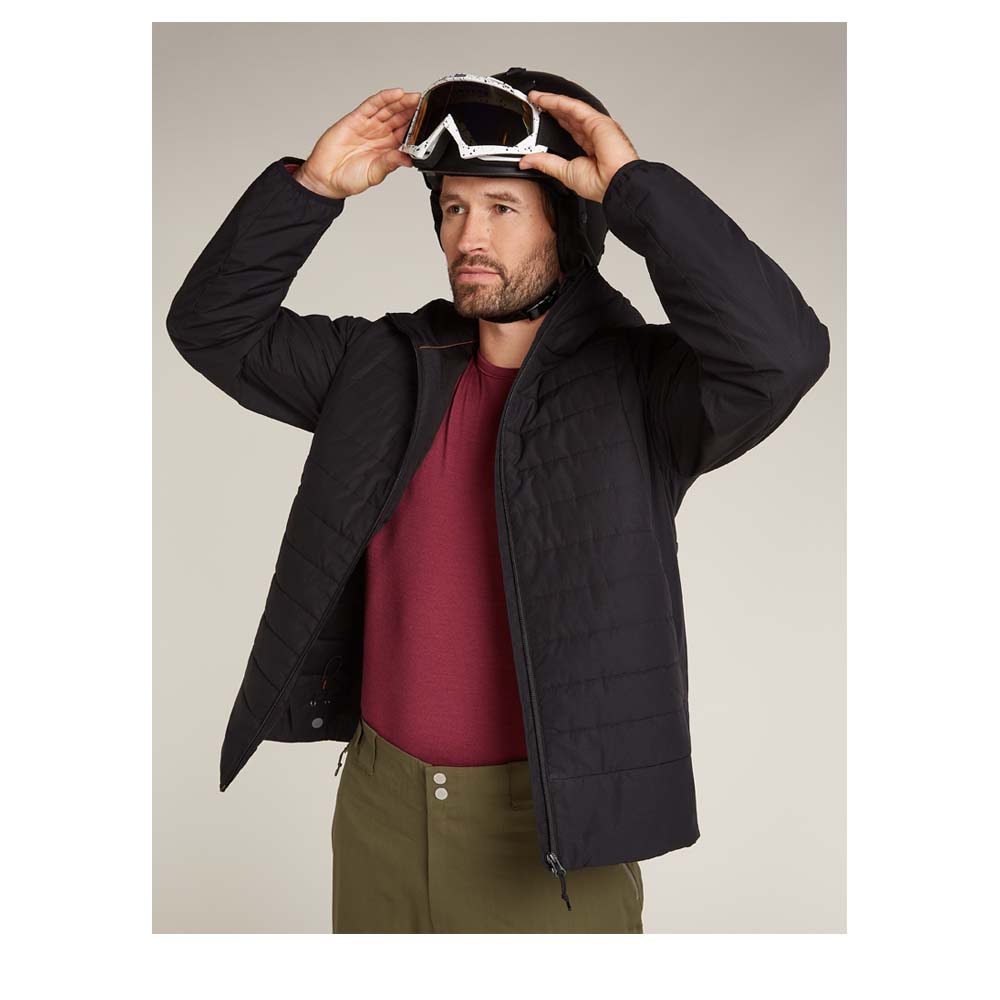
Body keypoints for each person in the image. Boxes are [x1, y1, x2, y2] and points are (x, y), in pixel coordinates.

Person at [166, 69, 830, 933]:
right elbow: (212, 326)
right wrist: (312, 187)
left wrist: (636, 193)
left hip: (546, 838)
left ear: (569, 226)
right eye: (453, 207)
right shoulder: (383, 367)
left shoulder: (641, 388)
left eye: (503, 207)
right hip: (378, 812)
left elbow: (783, 355)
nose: (468, 237)